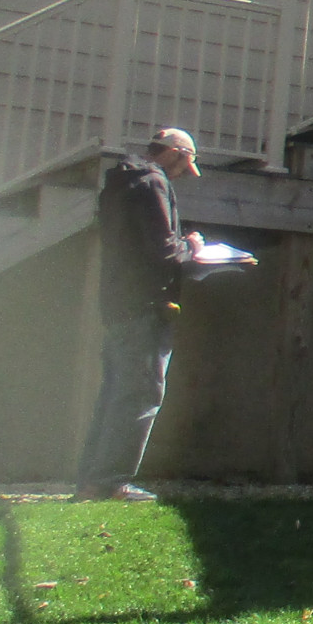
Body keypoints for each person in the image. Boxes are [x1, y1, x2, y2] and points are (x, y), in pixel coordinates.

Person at [73, 127, 202, 503]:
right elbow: (163, 251)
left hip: (117, 305)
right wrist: (192, 248)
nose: (181, 173)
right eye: (184, 165)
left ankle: (91, 481)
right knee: (141, 394)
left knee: (114, 394)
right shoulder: (152, 183)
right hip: (146, 307)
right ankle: (111, 482)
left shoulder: (119, 182)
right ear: (176, 154)